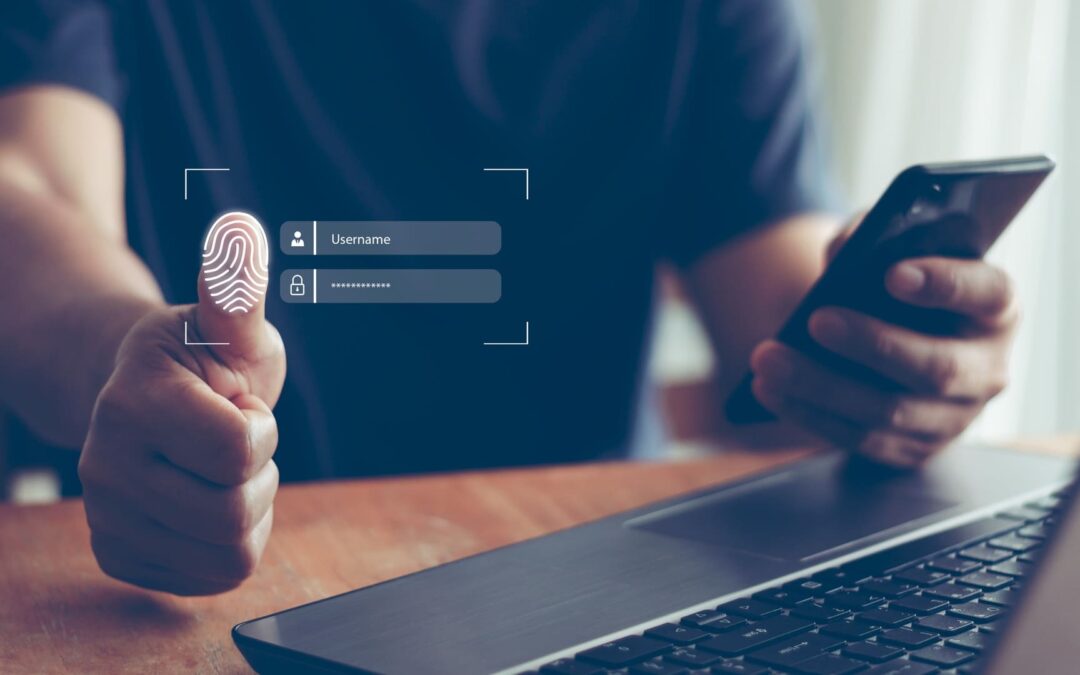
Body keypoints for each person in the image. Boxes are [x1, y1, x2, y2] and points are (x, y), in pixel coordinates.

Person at [0, 1, 1017, 595]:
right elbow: (30, 186)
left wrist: (899, 353)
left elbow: (786, 329)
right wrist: (126, 364)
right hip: (247, 590)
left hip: (591, 592)